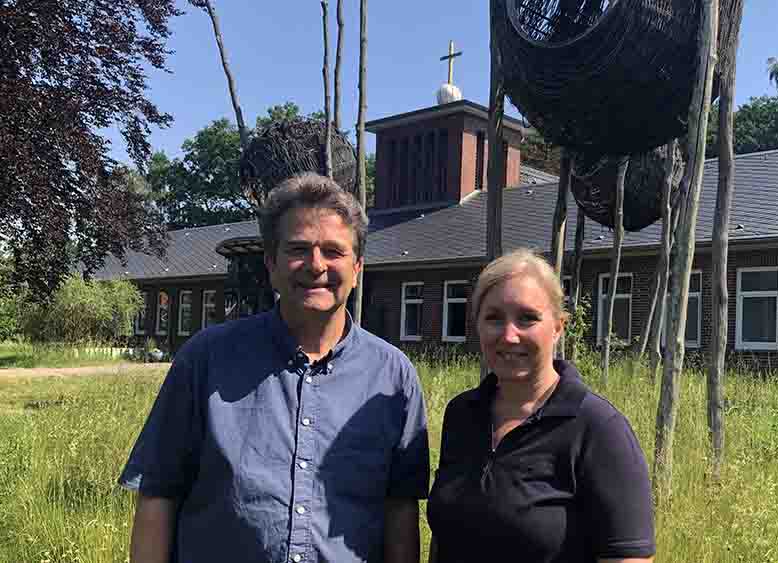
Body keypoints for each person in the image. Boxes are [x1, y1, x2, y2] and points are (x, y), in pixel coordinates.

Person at [120, 172, 429, 563]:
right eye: (298, 248)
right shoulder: (206, 360)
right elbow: (158, 494)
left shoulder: (393, 377)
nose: (315, 265)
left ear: (358, 267)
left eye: (333, 251)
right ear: (271, 262)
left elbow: (400, 513)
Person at [427, 249, 655, 563]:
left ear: (558, 327)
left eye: (527, 318)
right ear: (477, 324)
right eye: (494, 318)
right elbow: (445, 536)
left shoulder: (598, 429)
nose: (509, 335)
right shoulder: (462, 415)